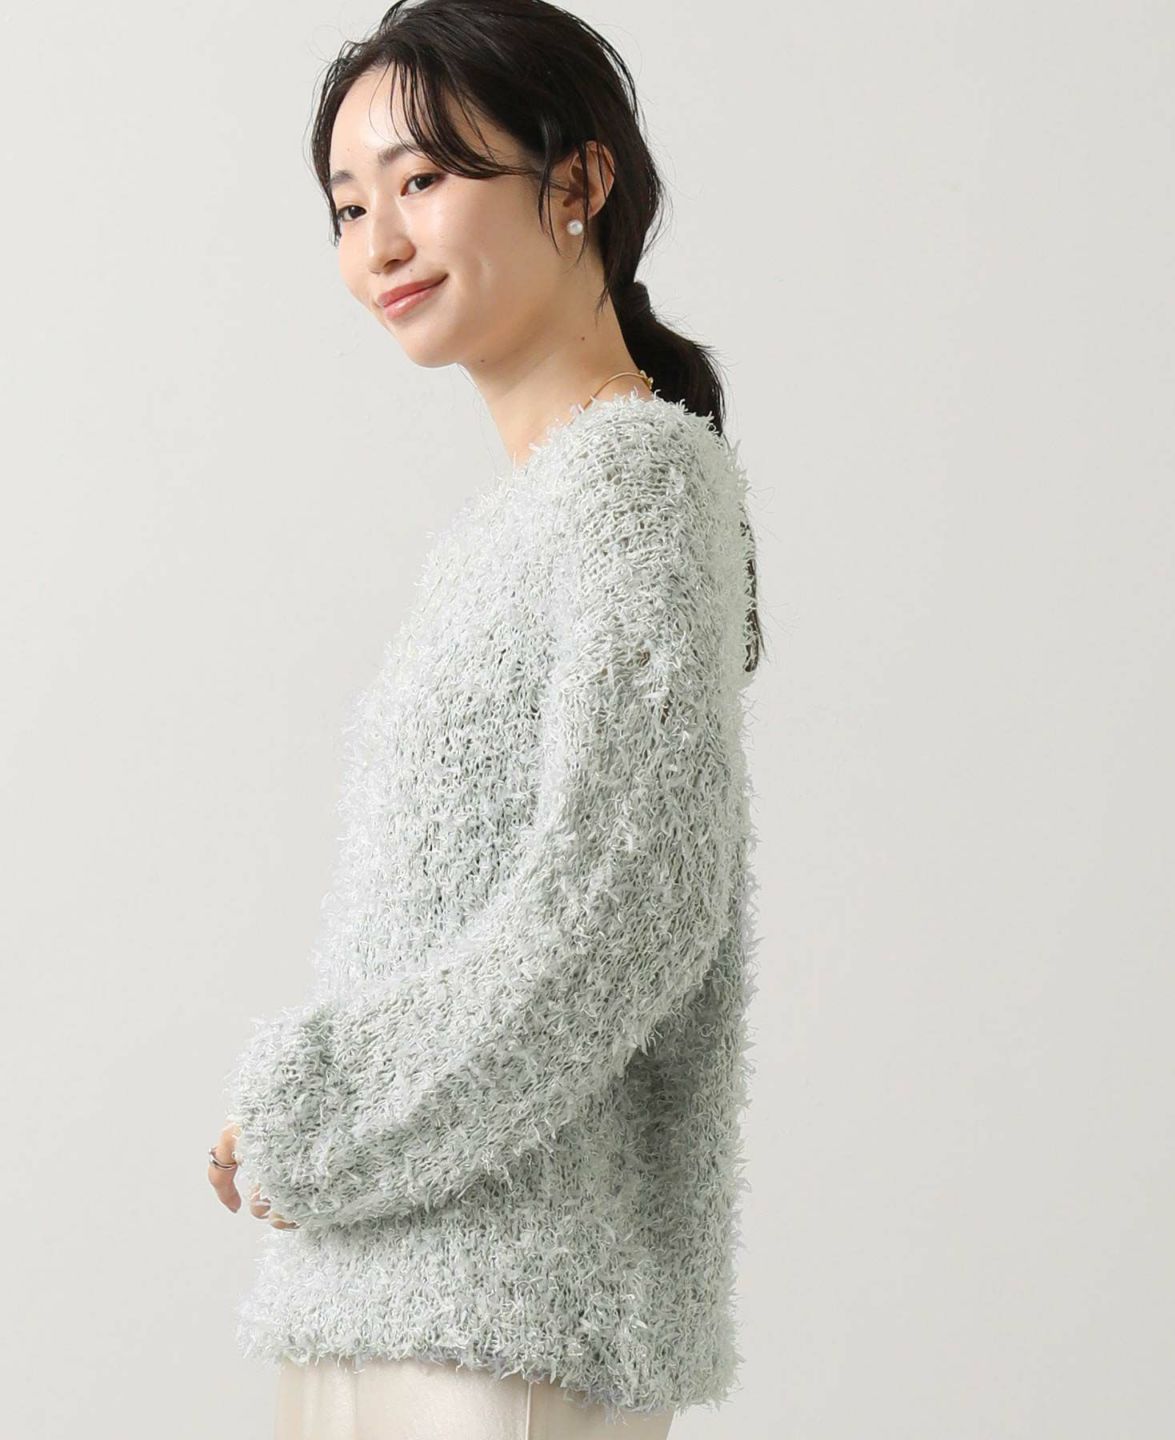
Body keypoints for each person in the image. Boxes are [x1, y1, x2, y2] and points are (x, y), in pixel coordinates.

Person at [206, 2, 764, 1435]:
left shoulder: (636, 483)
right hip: (394, 1289)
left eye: (424, 178)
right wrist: (325, 1138)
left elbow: (629, 906)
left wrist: (325, 1115)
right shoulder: (524, 521)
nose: (379, 243)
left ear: (578, 183)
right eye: (350, 205)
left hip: (503, 1326)